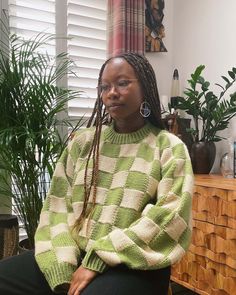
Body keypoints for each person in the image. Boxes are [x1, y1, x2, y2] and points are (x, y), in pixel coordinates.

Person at [0, 52, 193, 295]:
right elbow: (57, 209)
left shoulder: (168, 147)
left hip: (134, 261)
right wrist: (61, 266)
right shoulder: (83, 144)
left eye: (122, 83)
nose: (111, 92)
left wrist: (99, 258)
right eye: (104, 87)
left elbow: (169, 218)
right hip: (76, 253)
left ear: (145, 87)